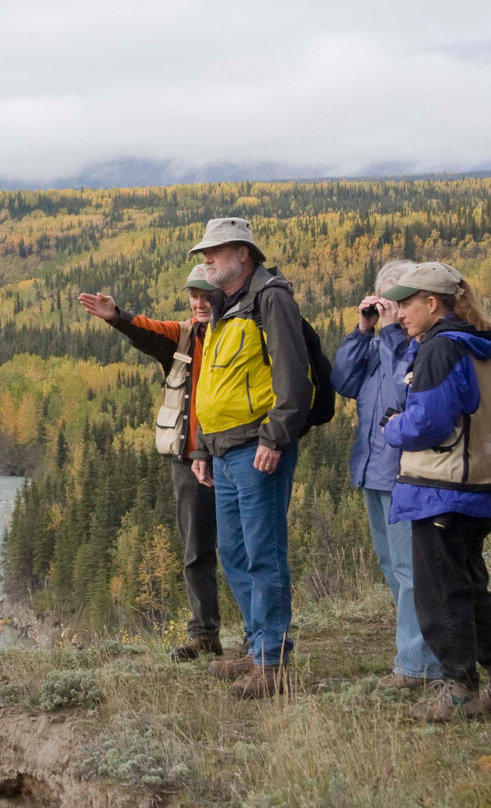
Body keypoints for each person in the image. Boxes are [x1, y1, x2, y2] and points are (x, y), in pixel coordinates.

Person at [79, 265, 244, 661]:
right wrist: (117, 316)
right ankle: (205, 634)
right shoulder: (182, 337)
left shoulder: (241, 334)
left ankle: (260, 638)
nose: (199, 303)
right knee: (196, 551)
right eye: (194, 295)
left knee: (245, 549)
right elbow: (145, 330)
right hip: (187, 462)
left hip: (234, 456)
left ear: (223, 295)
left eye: (207, 295)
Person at [380, 262, 491, 721]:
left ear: (431, 302)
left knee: (441, 592)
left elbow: (429, 423)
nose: (399, 313)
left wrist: (393, 427)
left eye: (405, 303)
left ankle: (458, 688)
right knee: (471, 588)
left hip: (443, 488)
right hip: (476, 486)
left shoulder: (439, 349)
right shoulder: (477, 343)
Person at [188, 217, 313, 699]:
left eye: (213, 252)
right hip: (222, 450)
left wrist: (275, 437)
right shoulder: (226, 307)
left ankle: (272, 661)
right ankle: (257, 644)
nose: (206, 261)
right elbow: (212, 386)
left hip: (257, 448)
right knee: (235, 553)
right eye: (204, 254)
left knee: (264, 552)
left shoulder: (270, 299)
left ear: (243, 253)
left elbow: (292, 378)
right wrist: (201, 447)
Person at [332, 260, 443, 688]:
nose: (393, 309)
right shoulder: (377, 343)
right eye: (387, 300)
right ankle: (422, 652)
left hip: (406, 473)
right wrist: (363, 330)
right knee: (390, 564)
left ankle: (417, 664)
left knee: (410, 569)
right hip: (372, 468)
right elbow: (342, 380)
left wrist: (395, 331)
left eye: (401, 300)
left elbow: (405, 389)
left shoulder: (417, 344)